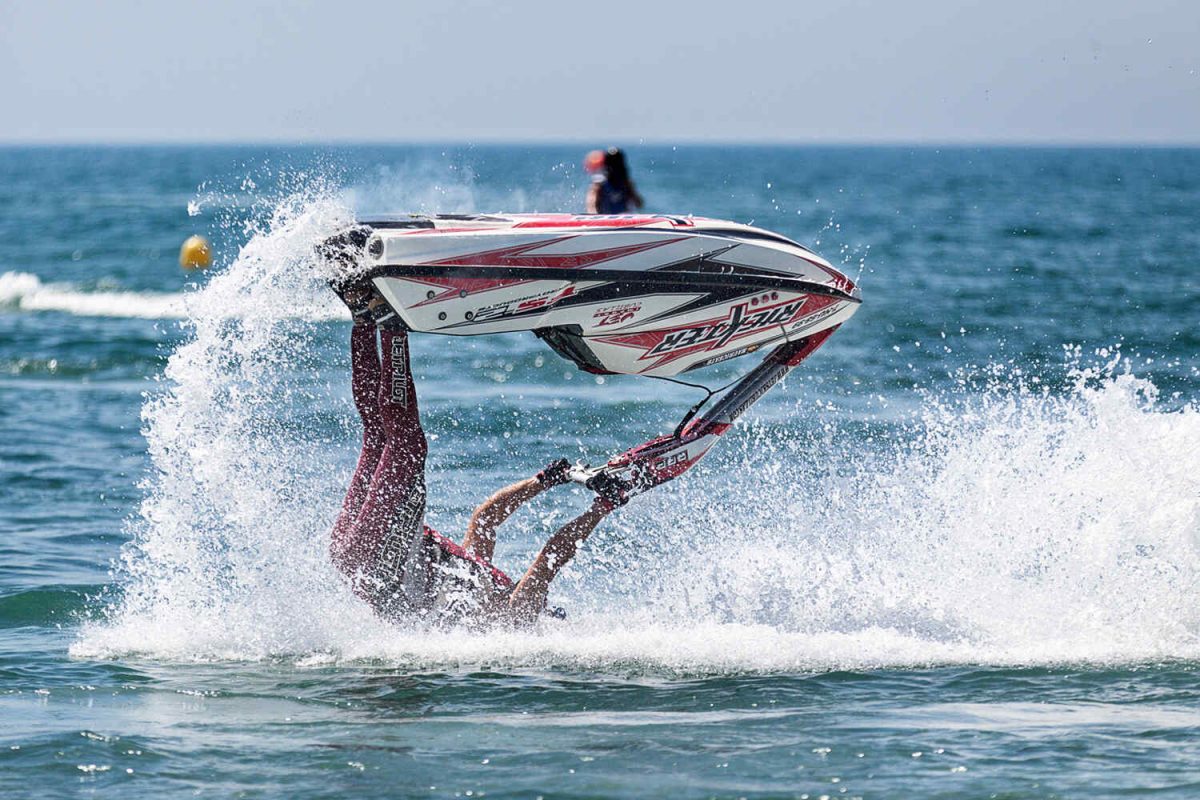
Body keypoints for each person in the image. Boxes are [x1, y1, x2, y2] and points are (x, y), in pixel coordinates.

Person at [328, 283, 624, 627]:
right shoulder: (476, 580)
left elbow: (550, 559)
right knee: (379, 437)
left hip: (380, 559)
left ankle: (390, 326)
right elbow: (485, 518)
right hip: (356, 557)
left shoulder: (513, 619)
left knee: (407, 446)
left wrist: (602, 508)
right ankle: (362, 316)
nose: (544, 603)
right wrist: (543, 480)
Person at [585, 147, 645, 214]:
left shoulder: (626, 183)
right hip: (606, 219)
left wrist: (631, 190)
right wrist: (594, 216)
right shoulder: (599, 183)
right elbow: (591, 204)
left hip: (623, 218)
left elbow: (639, 204)